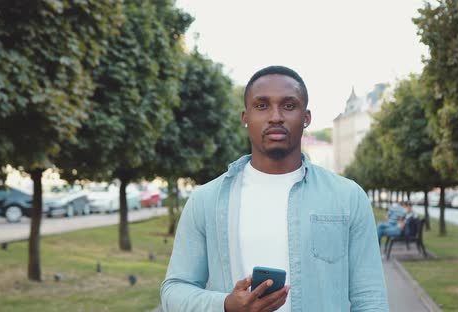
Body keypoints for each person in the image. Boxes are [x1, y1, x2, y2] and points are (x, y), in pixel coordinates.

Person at [160, 66, 389, 311]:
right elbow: (174, 291)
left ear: (306, 117)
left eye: (289, 106)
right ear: (245, 117)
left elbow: (370, 298)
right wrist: (225, 305)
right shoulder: (206, 200)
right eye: (262, 105)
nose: (275, 116)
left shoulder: (348, 197)